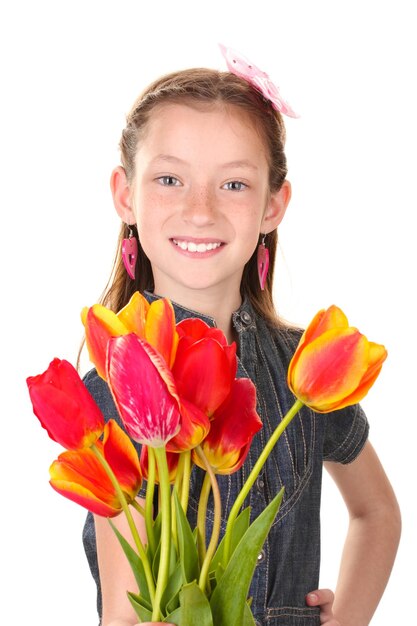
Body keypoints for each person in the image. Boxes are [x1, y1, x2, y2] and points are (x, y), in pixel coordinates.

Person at [82, 47, 401, 626]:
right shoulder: (116, 376)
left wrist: (349, 615)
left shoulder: (305, 365)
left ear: (273, 204)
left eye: (233, 184)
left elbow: (377, 512)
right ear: (126, 195)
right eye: (170, 178)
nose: (200, 210)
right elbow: (123, 613)